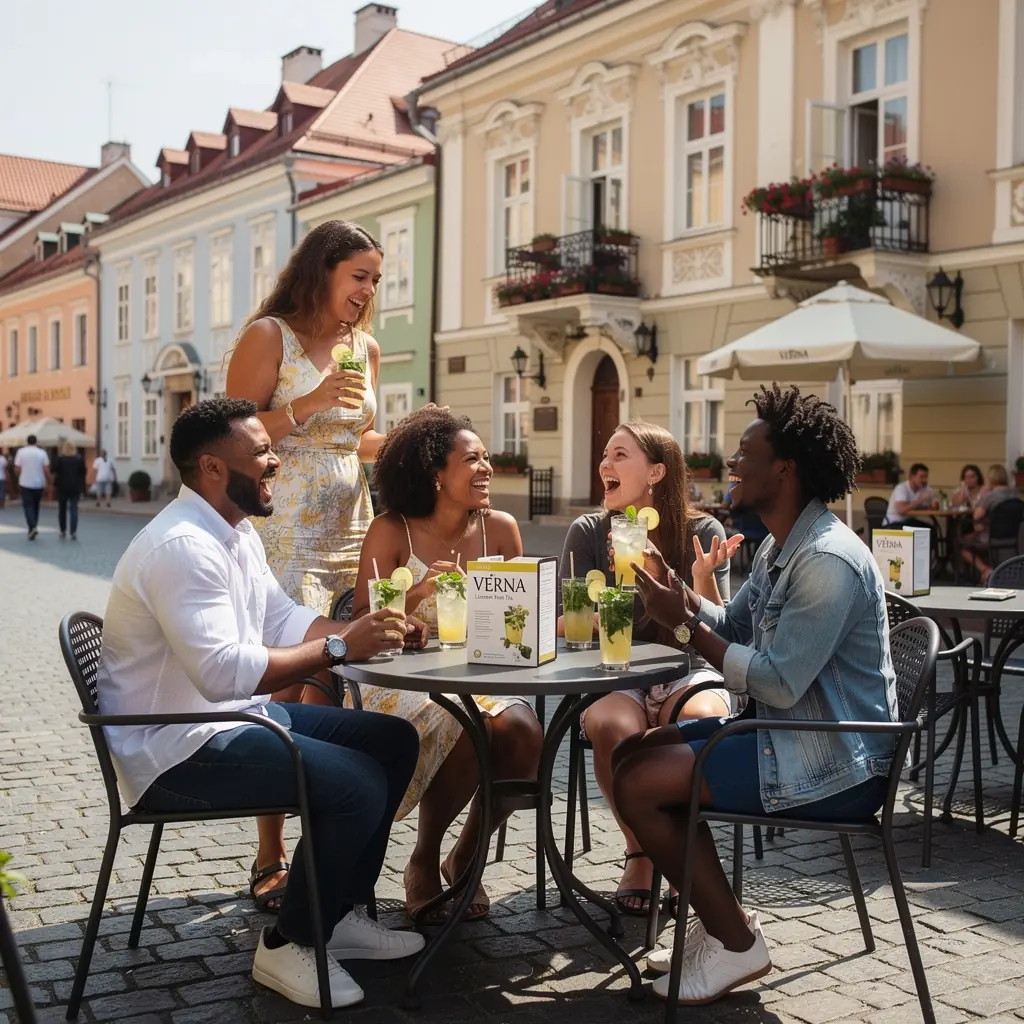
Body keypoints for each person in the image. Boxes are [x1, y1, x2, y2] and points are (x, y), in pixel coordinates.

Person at [97, 398, 427, 1010]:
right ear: (212, 467)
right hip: (174, 749)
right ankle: (287, 943)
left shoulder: (235, 531)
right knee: (356, 782)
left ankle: (339, 914)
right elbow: (225, 673)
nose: (275, 460)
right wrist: (337, 646)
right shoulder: (181, 547)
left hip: (218, 723)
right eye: (261, 453)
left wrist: (376, 631)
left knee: (391, 740)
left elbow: (282, 618)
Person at [614, 384, 896, 1006]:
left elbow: (775, 680)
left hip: (835, 762)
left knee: (641, 783)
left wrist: (685, 626)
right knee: (632, 756)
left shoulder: (827, 560)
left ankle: (736, 941)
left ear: (784, 469)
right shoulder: (781, 544)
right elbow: (736, 626)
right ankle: (721, 927)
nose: (732, 464)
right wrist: (682, 598)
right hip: (786, 738)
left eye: (745, 454)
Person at [226, 220, 387, 911]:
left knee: (336, 672)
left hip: (352, 529)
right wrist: (310, 403)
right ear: (323, 271)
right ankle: (269, 850)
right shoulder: (271, 336)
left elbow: (358, 440)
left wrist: (406, 441)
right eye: (359, 276)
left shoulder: (365, 347)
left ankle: (327, 841)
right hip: (285, 530)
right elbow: (236, 431)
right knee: (288, 681)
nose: (368, 291)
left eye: (377, 280)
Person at [350, 408, 543, 922]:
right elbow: (360, 620)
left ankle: (466, 854)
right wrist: (418, 593)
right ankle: (424, 857)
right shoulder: (392, 530)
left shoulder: (500, 529)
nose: (485, 468)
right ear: (437, 474)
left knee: (524, 733)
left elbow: (517, 617)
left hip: (481, 674)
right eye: (471, 459)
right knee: (467, 723)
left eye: (487, 458)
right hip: (399, 681)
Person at [558, 422, 739, 916]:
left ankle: (683, 858)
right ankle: (639, 851)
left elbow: (720, 629)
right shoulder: (589, 532)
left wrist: (688, 582)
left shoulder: (702, 531)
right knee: (610, 725)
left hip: (687, 665)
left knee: (700, 723)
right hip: (618, 673)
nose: (605, 466)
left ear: (656, 472)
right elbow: (562, 619)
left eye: (620, 455)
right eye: (604, 456)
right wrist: (584, 621)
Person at [959, 463, 1020, 583]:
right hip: (1014, 537)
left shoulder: (990, 496)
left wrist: (982, 495)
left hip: (991, 536)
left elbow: (976, 515)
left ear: (991, 479)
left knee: (961, 543)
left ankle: (985, 569)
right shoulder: (1015, 494)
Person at [13, 435, 50, 540]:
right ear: (36, 442)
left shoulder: (21, 452)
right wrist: (48, 480)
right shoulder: (42, 453)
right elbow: (46, 469)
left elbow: (17, 468)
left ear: (27, 441)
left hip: (25, 482)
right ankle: (33, 527)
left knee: (28, 506)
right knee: (36, 506)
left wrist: (17, 476)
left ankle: (32, 526)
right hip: (39, 483)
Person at [882, 462, 936, 527]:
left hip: (908, 522)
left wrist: (934, 503)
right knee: (918, 532)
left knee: (931, 529)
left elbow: (933, 506)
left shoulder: (925, 488)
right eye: (921, 477)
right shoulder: (901, 488)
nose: (924, 480)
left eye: (926, 477)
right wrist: (920, 500)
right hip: (893, 524)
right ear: (912, 477)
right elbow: (901, 510)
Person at [53, 441, 86, 540]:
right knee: (74, 508)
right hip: (75, 486)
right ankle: (73, 531)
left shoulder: (60, 459)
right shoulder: (79, 459)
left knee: (62, 509)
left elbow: (55, 470)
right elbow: (83, 473)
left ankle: (63, 530)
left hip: (62, 486)